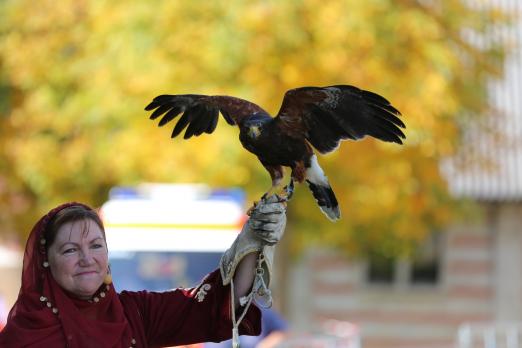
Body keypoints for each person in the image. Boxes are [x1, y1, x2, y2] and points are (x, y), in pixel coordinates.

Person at [0, 195, 287, 347]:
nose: (87, 258)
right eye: (70, 250)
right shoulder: (24, 335)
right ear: (45, 261)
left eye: (96, 246)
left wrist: (252, 241)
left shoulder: (133, 313)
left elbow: (213, 307)